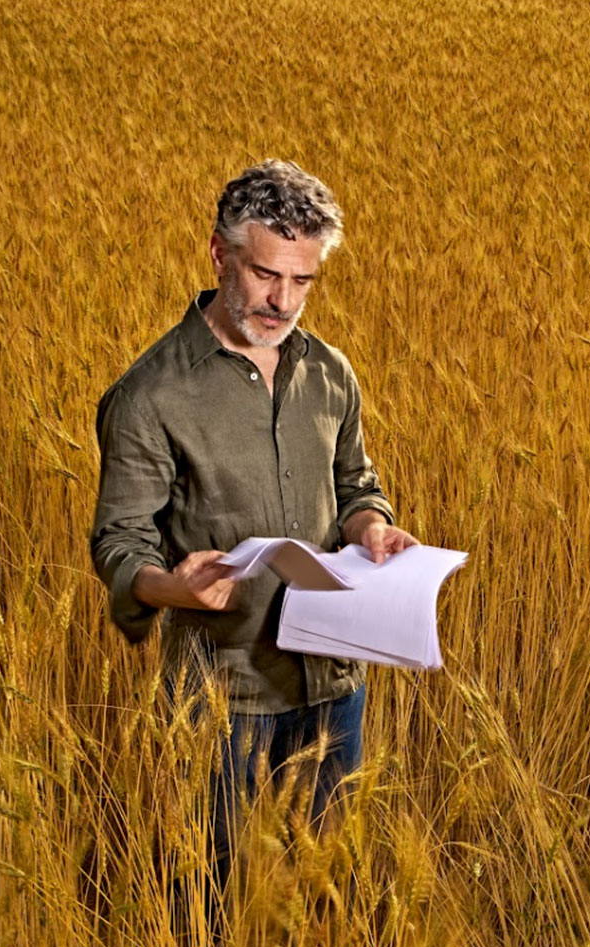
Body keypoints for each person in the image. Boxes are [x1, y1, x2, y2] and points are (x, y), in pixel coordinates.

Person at [88, 160, 416, 884]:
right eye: (267, 274)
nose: (282, 300)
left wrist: (371, 528)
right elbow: (119, 543)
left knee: (330, 899)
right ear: (218, 254)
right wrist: (171, 590)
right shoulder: (151, 396)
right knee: (209, 903)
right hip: (223, 701)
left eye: (303, 281)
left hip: (335, 685)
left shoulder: (330, 372)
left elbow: (357, 483)